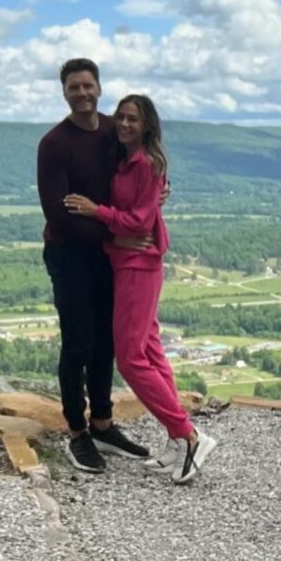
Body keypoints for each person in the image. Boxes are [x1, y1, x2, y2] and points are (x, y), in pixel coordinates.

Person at [65, 94, 218, 485]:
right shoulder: (129, 159)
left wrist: (95, 211)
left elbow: (136, 221)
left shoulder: (146, 163)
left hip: (139, 265)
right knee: (150, 348)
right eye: (121, 118)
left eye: (133, 119)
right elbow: (139, 215)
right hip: (126, 261)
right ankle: (177, 439)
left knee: (131, 358)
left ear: (148, 124)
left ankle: (188, 435)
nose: (125, 124)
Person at [37, 59, 150, 473]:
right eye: (73, 87)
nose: (82, 93)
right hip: (70, 256)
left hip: (108, 256)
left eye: (87, 86)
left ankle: (102, 422)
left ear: (99, 88)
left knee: (107, 341)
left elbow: (139, 172)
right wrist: (113, 236)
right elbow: (58, 212)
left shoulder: (112, 131)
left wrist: (158, 190)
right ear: (64, 92)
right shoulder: (54, 144)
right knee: (78, 342)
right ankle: (77, 431)